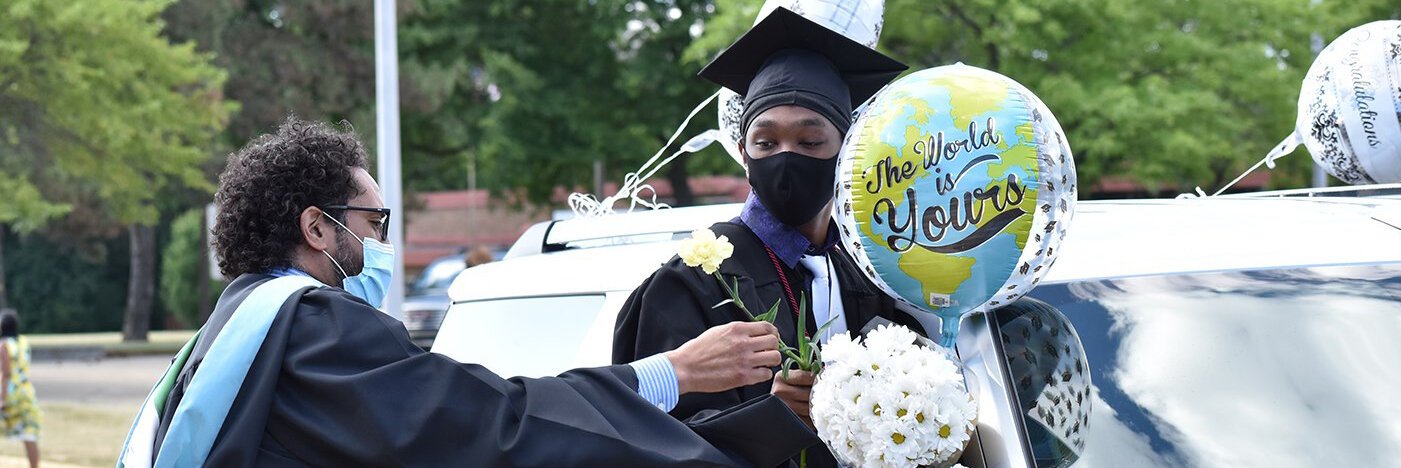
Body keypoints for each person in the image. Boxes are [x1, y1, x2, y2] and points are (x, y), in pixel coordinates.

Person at [120, 118, 817, 467]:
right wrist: (674, 373)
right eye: (375, 222)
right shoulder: (313, 328)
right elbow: (493, 425)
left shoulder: (235, 326)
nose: (385, 243)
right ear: (317, 227)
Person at [612, 8, 932, 467]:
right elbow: (647, 437)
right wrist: (769, 419)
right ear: (743, 153)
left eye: (810, 142)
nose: (786, 158)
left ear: (846, 149)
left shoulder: (863, 273)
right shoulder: (696, 281)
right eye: (766, 143)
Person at [0, 310, 41, 468]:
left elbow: (6, 373)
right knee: (29, 435)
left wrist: (2, 399)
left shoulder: (3, 345)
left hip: (10, 394)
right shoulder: (24, 342)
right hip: (26, 393)